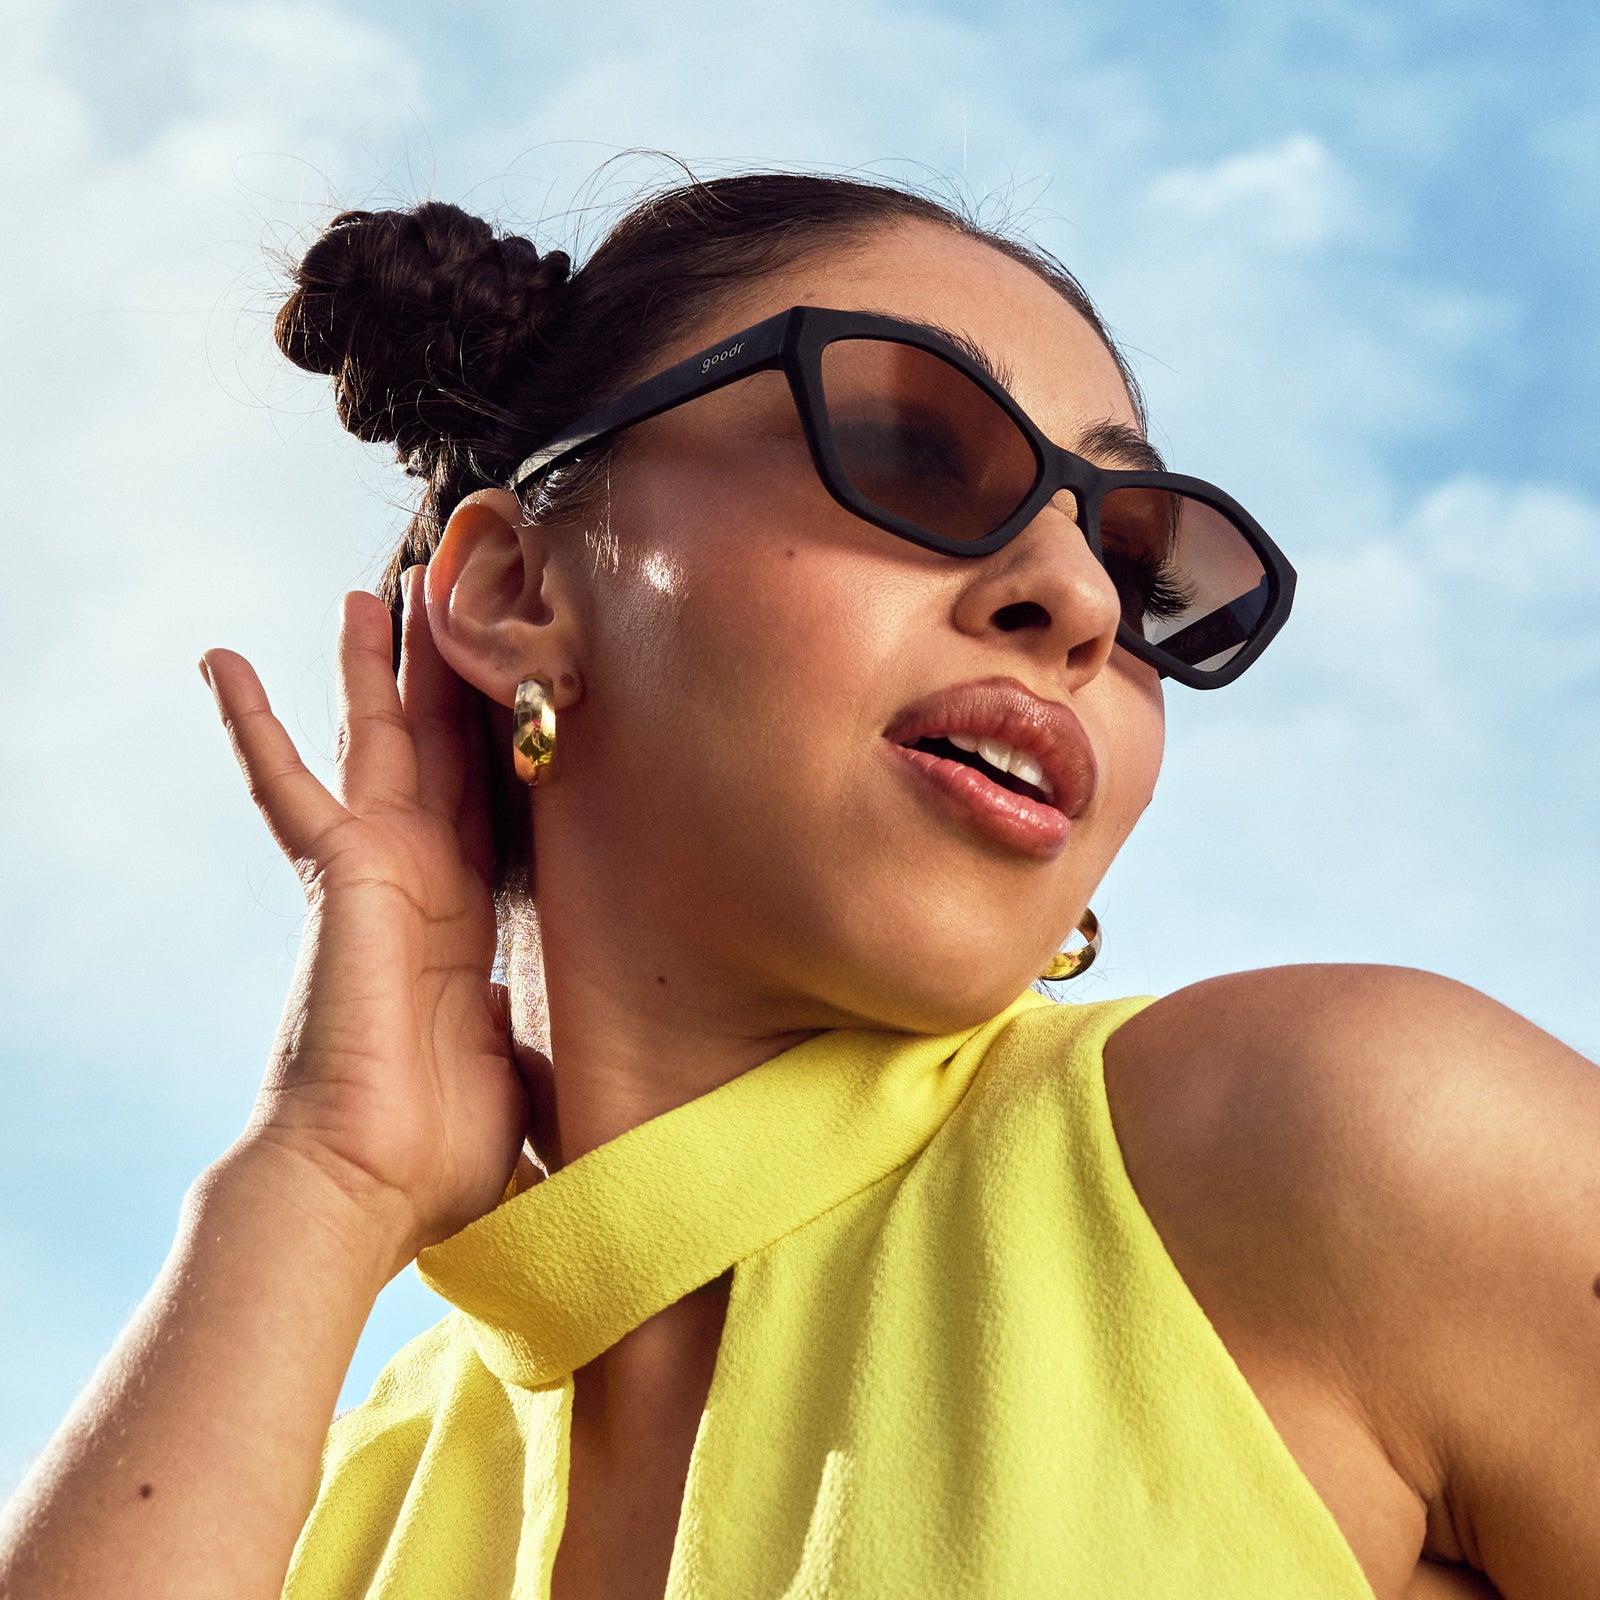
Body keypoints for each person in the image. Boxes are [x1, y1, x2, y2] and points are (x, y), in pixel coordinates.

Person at [0, 171, 1592, 1600]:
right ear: (512, 589)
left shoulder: (1348, 1147)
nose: (1079, 598)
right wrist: (314, 1180)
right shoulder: (290, 1522)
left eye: (1139, 553)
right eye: (908, 444)